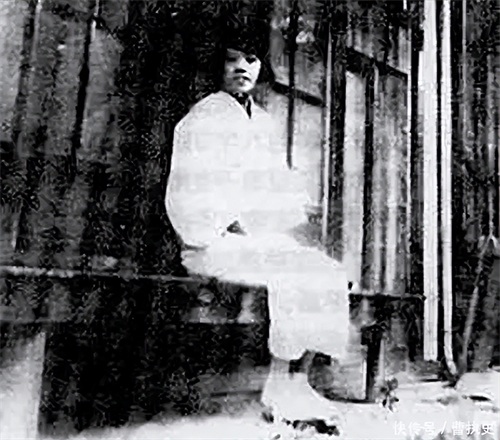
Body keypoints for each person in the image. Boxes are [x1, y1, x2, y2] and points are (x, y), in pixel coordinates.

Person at [165, 18, 354, 434]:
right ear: (217, 66)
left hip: (256, 242)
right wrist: (233, 222)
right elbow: (189, 193)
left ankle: (294, 382)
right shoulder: (201, 119)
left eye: (250, 59)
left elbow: (279, 190)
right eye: (231, 59)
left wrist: (279, 224)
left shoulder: (263, 123)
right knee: (294, 270)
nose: (242, 67)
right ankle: (279, 387)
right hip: (211, 242)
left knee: (327, 270)